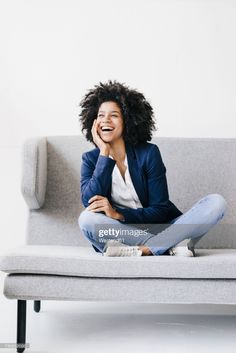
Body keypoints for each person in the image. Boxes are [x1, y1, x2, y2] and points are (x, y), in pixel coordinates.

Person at [78, 80, 227, 257]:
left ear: (128, 120)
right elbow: (90, 202)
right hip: (124, 234)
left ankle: (147, 248)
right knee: (87, 219)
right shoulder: (91, 159)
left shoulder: (148, 153)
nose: (105, 120)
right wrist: (104, 153)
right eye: (101, 115)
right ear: (93, 122)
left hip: (163, 227)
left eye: (114, 115)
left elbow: (160, 209)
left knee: (216, 202)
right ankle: (170, 245)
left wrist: (118, 214)